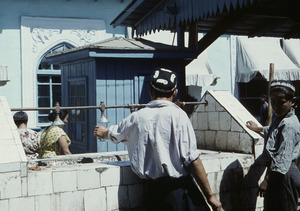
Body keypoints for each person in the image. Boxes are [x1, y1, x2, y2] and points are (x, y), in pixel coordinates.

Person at [94, 68, 222, 211]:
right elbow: (193, 160)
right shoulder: (178, 116)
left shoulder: (137, 117)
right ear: (175, 92)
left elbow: (115, 134)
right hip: (180, 193)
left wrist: (103, 132)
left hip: (153, 195)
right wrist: (210, 196)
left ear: (150, 91)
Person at [246, 80, 300, 211]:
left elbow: (283, 157)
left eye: (281, 102)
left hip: (283, 174)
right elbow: (274, 131)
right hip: (278, 173)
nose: (276, 106)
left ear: (292, 101)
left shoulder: (289, 124)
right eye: (273, 102)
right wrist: (259, 128)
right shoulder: (281, 119)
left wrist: (267, 180)